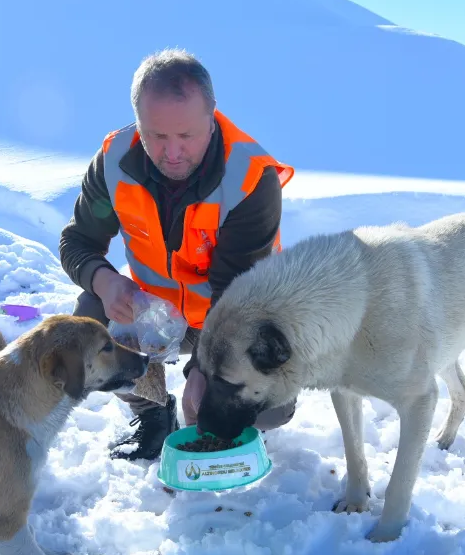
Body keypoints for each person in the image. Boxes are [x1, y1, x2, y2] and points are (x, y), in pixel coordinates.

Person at [59, 48, 298, 461]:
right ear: (138, 123)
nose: (171, 153)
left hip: (238, 316)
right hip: (155, 314)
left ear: (212, 115)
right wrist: (105, 280)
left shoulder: (250, 180)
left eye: (186, 136)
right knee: (86, 321)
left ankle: (223, 422)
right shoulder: (114, 160)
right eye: (155, 135)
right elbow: (78, 241)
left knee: (272, 409)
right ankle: (153, 416)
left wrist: (205, 372)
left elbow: (237, 297)